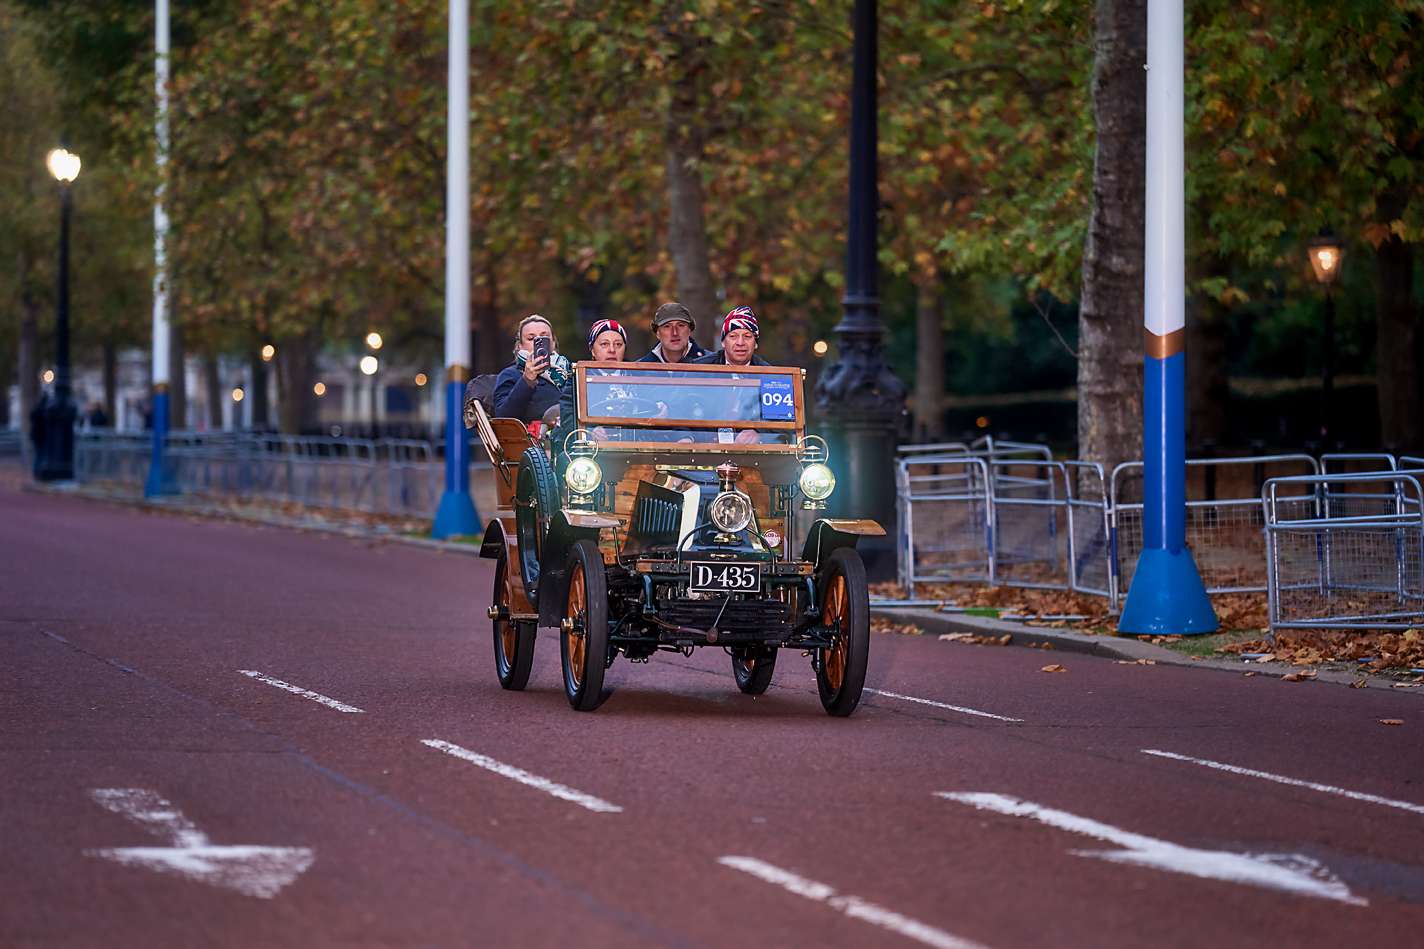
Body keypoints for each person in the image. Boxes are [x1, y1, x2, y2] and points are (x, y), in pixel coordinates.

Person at [494, 314, 568, 426]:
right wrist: (527, 380)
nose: (538, 342)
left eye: (544, 337)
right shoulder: (511, 374)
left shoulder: (570, 372)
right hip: (535, 440)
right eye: (531, 338)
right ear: (520, 346)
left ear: (553, 342)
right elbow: (503, 418)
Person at [693, 306, 770, 367]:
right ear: (723, 342)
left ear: (755, 343)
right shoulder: (699, 368)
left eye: (747, 336)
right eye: (733, 336)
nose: (740, 343)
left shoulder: (768, 374)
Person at [636, 301, 708, 364]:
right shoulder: (639, 369)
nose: (675, 333)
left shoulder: (711, 363)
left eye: (680, 325)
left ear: (689, 330)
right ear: (658, 333)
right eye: (667, 326)